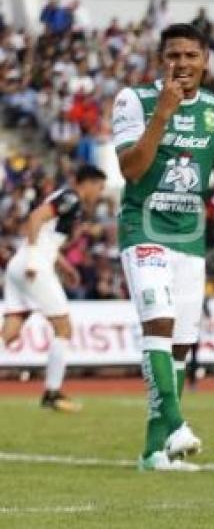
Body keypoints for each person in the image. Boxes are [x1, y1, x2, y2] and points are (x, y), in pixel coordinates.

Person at [111, 23, 214, 472]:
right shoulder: (134, 100)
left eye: (190, 55)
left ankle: (153, 451)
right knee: (159, 325)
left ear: (205, 59)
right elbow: (131, 169)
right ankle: (177, 424)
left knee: (182, 345)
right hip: (143, 230)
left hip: (189, 237)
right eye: (173, 55)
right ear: (160, 59)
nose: (181, 64)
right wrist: (162, 115)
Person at [2, 164, 107, 412]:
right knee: (64, 328)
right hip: (32, 266)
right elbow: (36, 218)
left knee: (10, 333)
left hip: (22, 265)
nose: (100, 193)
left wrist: (64, 266)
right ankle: (53, 392)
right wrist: (32, 258)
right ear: (88, 183)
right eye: (99, 187)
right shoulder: (71, 197)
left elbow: (48, 236)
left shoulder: (66, 199)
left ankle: (53, 392)